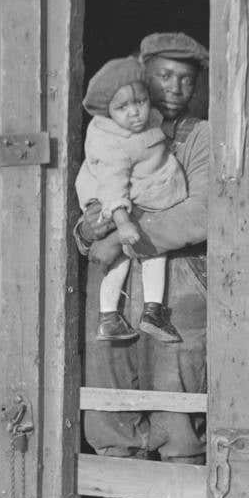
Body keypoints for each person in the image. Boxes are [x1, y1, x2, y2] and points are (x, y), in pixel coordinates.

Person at [76, 32, 210, 498]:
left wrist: (126, 240)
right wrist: (90, 232)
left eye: (186, 77)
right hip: (115, 292)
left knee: (178, 417)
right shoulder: (106, 132)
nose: (174, 87)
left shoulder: (200, 138)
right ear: (140, 75)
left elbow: (203, 210)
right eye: (164, 76)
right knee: (111, 413)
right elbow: (88, 206)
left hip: (180, 289)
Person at [75, 56, 187, 343]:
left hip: (142, 203)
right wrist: (122, 224)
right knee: (137, 254)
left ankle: (138, 313)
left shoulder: (151, 123)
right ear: (107, 110)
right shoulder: (110, 141)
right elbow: (112, 189)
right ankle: (120, 315)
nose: (135, 113)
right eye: (123, 107)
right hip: (122, 207)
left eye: (141, 102)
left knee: (142, 252)